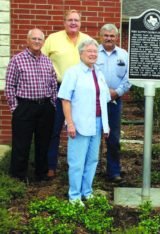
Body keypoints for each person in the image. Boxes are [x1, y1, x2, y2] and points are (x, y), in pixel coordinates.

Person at [58, 38, 110, 205]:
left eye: (95, 51)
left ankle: (87, 191)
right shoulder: (73, 73)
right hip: (79, 124)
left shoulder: (99, 73)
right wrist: (70, 123)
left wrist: (105, 125)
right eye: (89, 51)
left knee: (92, 160)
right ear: (81, 54)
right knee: (77, 161)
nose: (93, 54)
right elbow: (65, 100)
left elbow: (104, 100)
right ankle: (74, 196)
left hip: (97, 122)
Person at [42, 9, 90, 178]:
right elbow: (41, 61)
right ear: (64, 22)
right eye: (70, 20)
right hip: (57, 89)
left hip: (81, 91)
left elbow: (95, 62)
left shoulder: (87, 40)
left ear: (80, 23)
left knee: (80, 128)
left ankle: (78, 167)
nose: (73, 23)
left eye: (76, 20)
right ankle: (51, 166)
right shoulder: (52, 39)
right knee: (54, 129)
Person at [5, 28, 57, 182]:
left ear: (43, 42)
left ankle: (41, 174)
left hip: (45, 107)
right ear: (28, 41)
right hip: (24, 107)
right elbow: (9, 87)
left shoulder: (47, 61)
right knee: (21, 144)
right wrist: (16, 108)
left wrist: (52, 104)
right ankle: (18, 177)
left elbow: (53, 84)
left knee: (43, 143)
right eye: (34, 39)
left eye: (40, 39)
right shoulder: (17, 59)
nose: (37, 42)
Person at [96, 24, 131, 182]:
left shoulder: (124, 55)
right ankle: (92, 171)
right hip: (94, 102)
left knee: (113, 138)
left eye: (112, 36)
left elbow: (129, 78)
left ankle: (113, 172)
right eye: (106, 35)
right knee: (93, 136)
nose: (109, 38)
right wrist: (102, 92)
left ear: (116, 37)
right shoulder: (93, 52)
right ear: (100, 36)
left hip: (114, 102)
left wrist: (117, 92)